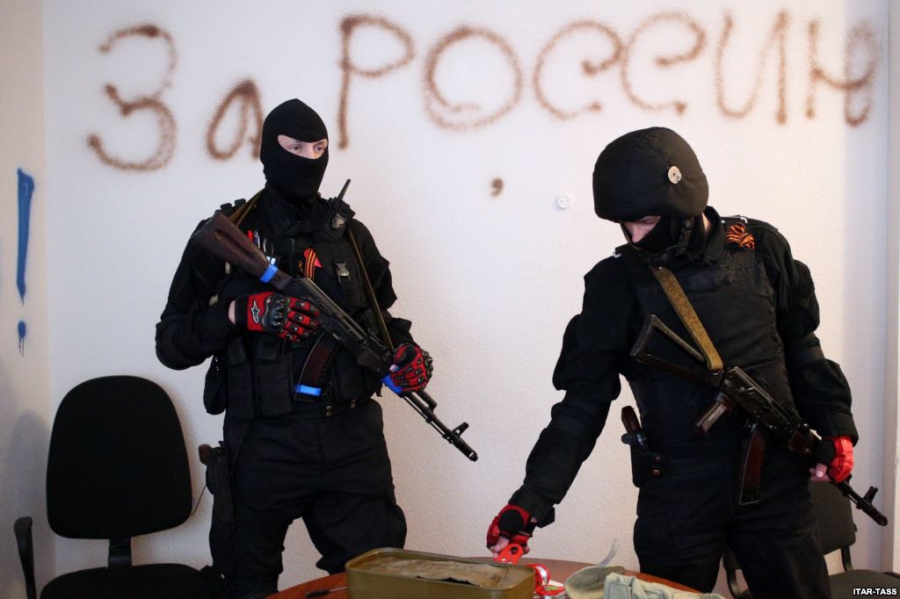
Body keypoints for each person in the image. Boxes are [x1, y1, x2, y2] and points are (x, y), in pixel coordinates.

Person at [485, 127, 857, 598]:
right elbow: (582, 406)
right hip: (680, 494)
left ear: (685, 203)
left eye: (646, 220)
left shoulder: (759, 247)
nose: (636, 236)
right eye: (625, 225)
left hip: (777, 484)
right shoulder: (615, 285)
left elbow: (802, 347)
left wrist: (836, 426)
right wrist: (531, 501)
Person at [156, 98, 432, 599]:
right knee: (246, 584)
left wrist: (407, 355)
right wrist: (240, 314)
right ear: (268, 151)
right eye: (295, 148)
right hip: (262, 443)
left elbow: (381, 321)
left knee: (380, 584)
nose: (309, 159)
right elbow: (171, 344)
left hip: (352, 442)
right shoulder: (228, 235)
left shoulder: (350, 236)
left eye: (319, 148)